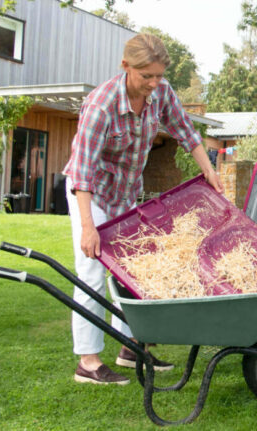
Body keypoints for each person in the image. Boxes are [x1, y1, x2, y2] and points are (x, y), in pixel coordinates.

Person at [62, 33, 224, 385]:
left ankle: (130, 347)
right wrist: (89, 228)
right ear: (126, 67)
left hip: (124, 195)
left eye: (158, 75)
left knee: (131, 269)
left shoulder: (160, 93)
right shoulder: (101, 105)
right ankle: (87, 363)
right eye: (146, 75)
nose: (153, 83)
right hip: (90, 195)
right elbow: (81, 172)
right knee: (91, 271)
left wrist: (209, 171)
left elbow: (186, 131)